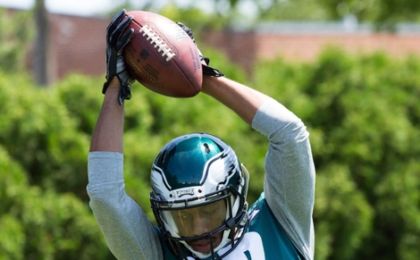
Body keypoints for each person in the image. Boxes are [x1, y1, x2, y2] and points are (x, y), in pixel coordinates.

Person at [87, 10, 315, 260]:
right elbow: (104, 195)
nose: (199, 230)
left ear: (235, 194)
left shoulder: (281, 223)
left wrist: (202, 75)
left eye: (209, 212)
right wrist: (115, 88)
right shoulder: (156, 255)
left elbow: (289, 133)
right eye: (183, 217)